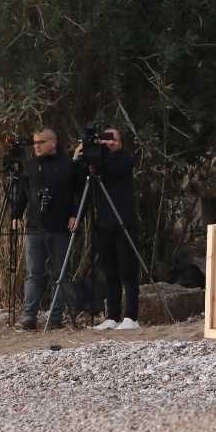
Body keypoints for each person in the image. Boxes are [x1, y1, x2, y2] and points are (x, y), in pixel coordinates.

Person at [11, 128, 77, 330]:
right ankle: (29, 315)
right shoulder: (30, 166)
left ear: (53, 142)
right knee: (33, 273)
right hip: (34, 227)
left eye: (41, 142)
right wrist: (15, 215)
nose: (36, 146)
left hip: (60, 227)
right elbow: (23, 192)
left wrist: (76, 214)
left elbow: (77, 192)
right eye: (34, 143)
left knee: (60, 272)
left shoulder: (67, 165)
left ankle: (56, 316)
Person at [79, 127, 142, 331]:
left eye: (112, 138)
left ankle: (131, 316)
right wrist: (81, 155)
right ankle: (112, 316)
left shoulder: (125, 159)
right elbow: (81, 178)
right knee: (109, 271)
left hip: (124, 221)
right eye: (104, 139)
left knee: (128, 271)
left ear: (120, 141)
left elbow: (114, 171)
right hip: (103, 223)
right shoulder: (97, 163)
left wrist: (101, 153)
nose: (109, 142)